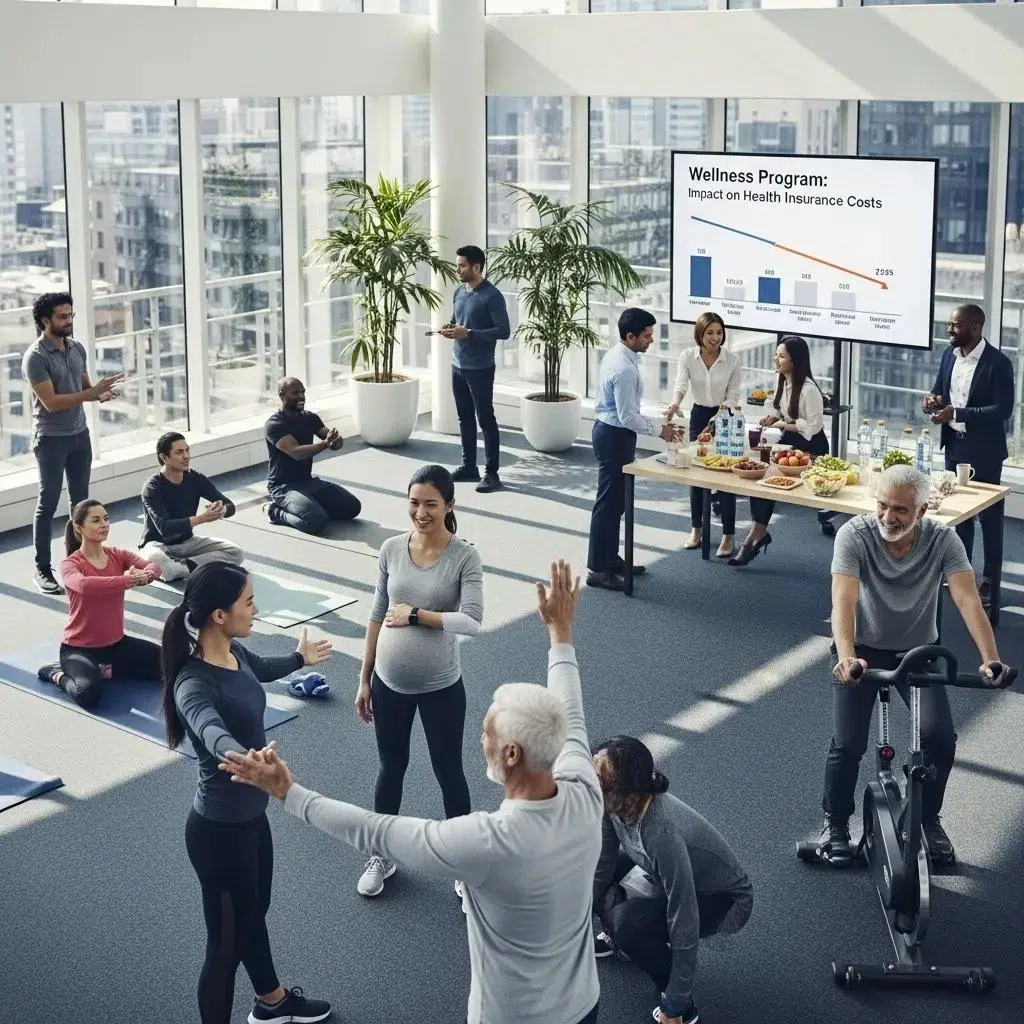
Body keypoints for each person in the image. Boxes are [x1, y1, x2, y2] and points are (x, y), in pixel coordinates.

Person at [220, 560, 603, 1024]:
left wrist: (288, 792)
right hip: (584, 1004)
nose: (481, 738)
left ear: (512, 755)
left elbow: (373, 830)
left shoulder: (486, 843)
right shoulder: (585, 789)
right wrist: (560, 634)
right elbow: (570, 711)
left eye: (489, 733)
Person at [161, 562, 333, 1024]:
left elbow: (264, 668)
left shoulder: (234, 654)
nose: (256, 609)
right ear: (219, 615)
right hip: (218, 834)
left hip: (251, 820)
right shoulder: (193, 682)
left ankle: (272, 1002)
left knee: (254, 915)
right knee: (224, 947)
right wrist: (243, 758)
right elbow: (209, 729)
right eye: (249, 602)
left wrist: (300, 659)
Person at [817, 465, 1008, 868]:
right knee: (848, 742)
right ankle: (834, 824)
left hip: (917, 651)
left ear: (923, 510)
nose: (889, 517)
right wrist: (847, 654)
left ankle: (925, 817)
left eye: (901, 510)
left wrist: (990, 658)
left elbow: (967, 600)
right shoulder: (854, 534)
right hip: (862, 650)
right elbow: (844, 601)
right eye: (883, 506)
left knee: (940, 738)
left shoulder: (943, 540)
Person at [353, 464, 484, 898]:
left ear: (449, 505)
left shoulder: (464, 556)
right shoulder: (391, 549)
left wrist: (416, 615)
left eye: (430, 503)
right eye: (414, 503)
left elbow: (472, 621)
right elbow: (375, 614)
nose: (421, 512)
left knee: (449, 771)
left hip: (442, 688)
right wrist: (365, 677)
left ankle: (464, 866)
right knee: (391, 768)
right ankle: (382, 853)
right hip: (389, 684)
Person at [591, 736, 754, 1024]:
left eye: (601, 785)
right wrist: (571, 925)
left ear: (630, 792)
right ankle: (620, 940)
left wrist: (676, 1001)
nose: (591, 791)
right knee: (591, 869)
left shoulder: (661, 834)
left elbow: (685, 918)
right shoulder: (613, 807)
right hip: (664, 872)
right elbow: (602, 864)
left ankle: (682, 1006)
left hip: (721, 898)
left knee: (628, 923)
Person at [23, 292, 124, 594]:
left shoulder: (77, 348)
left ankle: (79, 563)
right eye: (62, 317)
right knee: (48, 504)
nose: (68, 321)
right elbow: (52, 402)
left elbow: (83, 390)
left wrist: (101, 393)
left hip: (80, 436)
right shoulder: (36, 357)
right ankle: (42, 569)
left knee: (81, 505)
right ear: (45, 320)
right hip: (51, 439)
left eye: (70, 315)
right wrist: (90, 395)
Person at [922, 303, 1014, 606]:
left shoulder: (998, 363)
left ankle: (991, 582)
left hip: (985, 451)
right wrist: (932, 402)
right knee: (960, 516)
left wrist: (957, 411)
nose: (950, 330)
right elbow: (940, 390)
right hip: (955, 445)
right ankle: (962, 573)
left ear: (975, 326)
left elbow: (1003, 410)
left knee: (989, 518)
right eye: (949, 324)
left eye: (955, 326)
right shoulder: (949, 355)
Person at [35, 498, 162, 709]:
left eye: (106, 518)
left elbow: (154, 566)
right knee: (88, 694)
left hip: (116, 644)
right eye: (95, 520)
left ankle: (103, 669)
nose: (104, 524)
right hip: (79, 649)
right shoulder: (70, 564)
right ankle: (56, 673)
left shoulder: (117, 554)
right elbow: (84, 585)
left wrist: (146, 575)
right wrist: (126, 580)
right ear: (79, 527)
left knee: (167, 665)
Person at [587, 307, 681, 590]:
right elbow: (627, 416)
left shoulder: (621, 354)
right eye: (647, 336)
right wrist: (660, 430)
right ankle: (598, 570)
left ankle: (610, 559)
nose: (651, 340)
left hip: (616, 433)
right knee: (608, 504)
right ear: (630, 336)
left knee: (616, 503)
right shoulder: (624, 368)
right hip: (614, 435)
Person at [730, 335, 828, 567]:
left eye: (781, 356)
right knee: (760, 479)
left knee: (768, 481)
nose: (776, 359)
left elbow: (813, 427)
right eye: (776, 354)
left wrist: (783, 424)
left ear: (795, 361)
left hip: (811, 445)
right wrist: (772, 417)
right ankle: (756, 535)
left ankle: (753, 538)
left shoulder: (809, 390)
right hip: (790, 441)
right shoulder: (781, 380)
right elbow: (778, 410)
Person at [665, 311, 741, 559]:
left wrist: (717, 419)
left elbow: (733, 396)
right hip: (698, 415)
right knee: (696, 476)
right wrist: (676, 404)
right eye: (710, 333)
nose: (715, 338)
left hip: (724, 415)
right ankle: (696, 531)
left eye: (719, 333)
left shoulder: (732, 360)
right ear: (700, 333)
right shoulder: (688, 356)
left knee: (726, 478)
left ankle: (728, 535)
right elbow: (681, 385)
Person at [439, 244, 511, 494]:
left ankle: (492, 473)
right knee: (464, 418)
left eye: (462, 265)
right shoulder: (459, 291)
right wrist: (449, 328)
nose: (457, 269)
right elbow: (457, 319)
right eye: (458, 264)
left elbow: (504, 331)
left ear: (476, 267)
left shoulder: (492, 296)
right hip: (457, 365)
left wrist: (468, 333)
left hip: (480, 368)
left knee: (486, 419)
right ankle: (469, 466)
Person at [263, 377, 361, 535]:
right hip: (283, 487)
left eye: (303, 392)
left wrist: (336, 441)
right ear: (282, 396)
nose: (301, 397)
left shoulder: (310, 418)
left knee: (353, 507)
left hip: (308, 481)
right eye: (295, 393)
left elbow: (329, 438)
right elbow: (296, 453)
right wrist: (325, 444)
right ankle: (274, 511)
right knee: (316, 522)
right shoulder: (274, 425)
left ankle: (310, 507)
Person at [139, 432, 243, 581]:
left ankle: (181, 568)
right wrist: (202, 518)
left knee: (235, 553)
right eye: (179, 452)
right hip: (159, 545)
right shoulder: (152, 487)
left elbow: (229, 505)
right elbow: (165, 528)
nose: (186, 456)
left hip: (188, 543)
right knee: (155, 558)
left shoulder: (195, 478)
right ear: (164, 457)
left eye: (187, 450)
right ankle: (185, 568)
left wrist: (221, 510)